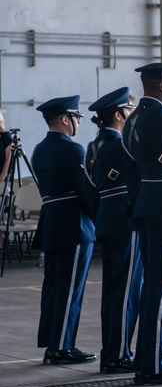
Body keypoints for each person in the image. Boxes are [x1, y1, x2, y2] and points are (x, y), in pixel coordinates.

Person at [122, 62, 162, 385]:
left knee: (152, 285)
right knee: (161, 288)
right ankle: (154, 366)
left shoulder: (131, 120)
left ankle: (148, 362)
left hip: (145, 202)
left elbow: (132, 168)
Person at [32, 95, 97, 365]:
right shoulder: (73, 149)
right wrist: (101, 219)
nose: (78, 122)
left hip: (52, 223)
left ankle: (52, 342)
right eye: (76, 117)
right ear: (64, 119)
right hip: (73, 224)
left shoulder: (39, 149)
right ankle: (62, 347)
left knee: (54, 287)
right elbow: (86, 191)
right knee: (71, 288)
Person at [85, 88, 140, 374]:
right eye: (130, 110)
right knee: (127, 291)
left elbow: (92, 192)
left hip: (107, 221)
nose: (132, 114)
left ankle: (112, 351)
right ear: (119, 115)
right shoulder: (122, 146)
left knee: (113, 290)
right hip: (126, 222)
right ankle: (118, 354)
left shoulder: (93, 147)